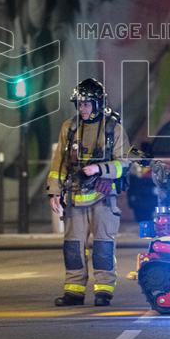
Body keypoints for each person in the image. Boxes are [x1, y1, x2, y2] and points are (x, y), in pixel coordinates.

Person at [47, 78, 131, 307]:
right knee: (73, 246)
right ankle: (74, 291)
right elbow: (59, 163)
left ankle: (104, 291)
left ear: (98, 103)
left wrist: (99, 169)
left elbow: (124, 163)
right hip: (74, 196)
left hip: (103, 197)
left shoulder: (113, 128)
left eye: (86, 104)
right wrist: (54, 192)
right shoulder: (69, 127)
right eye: (79, 104)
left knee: (103, 245)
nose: (82, 109)